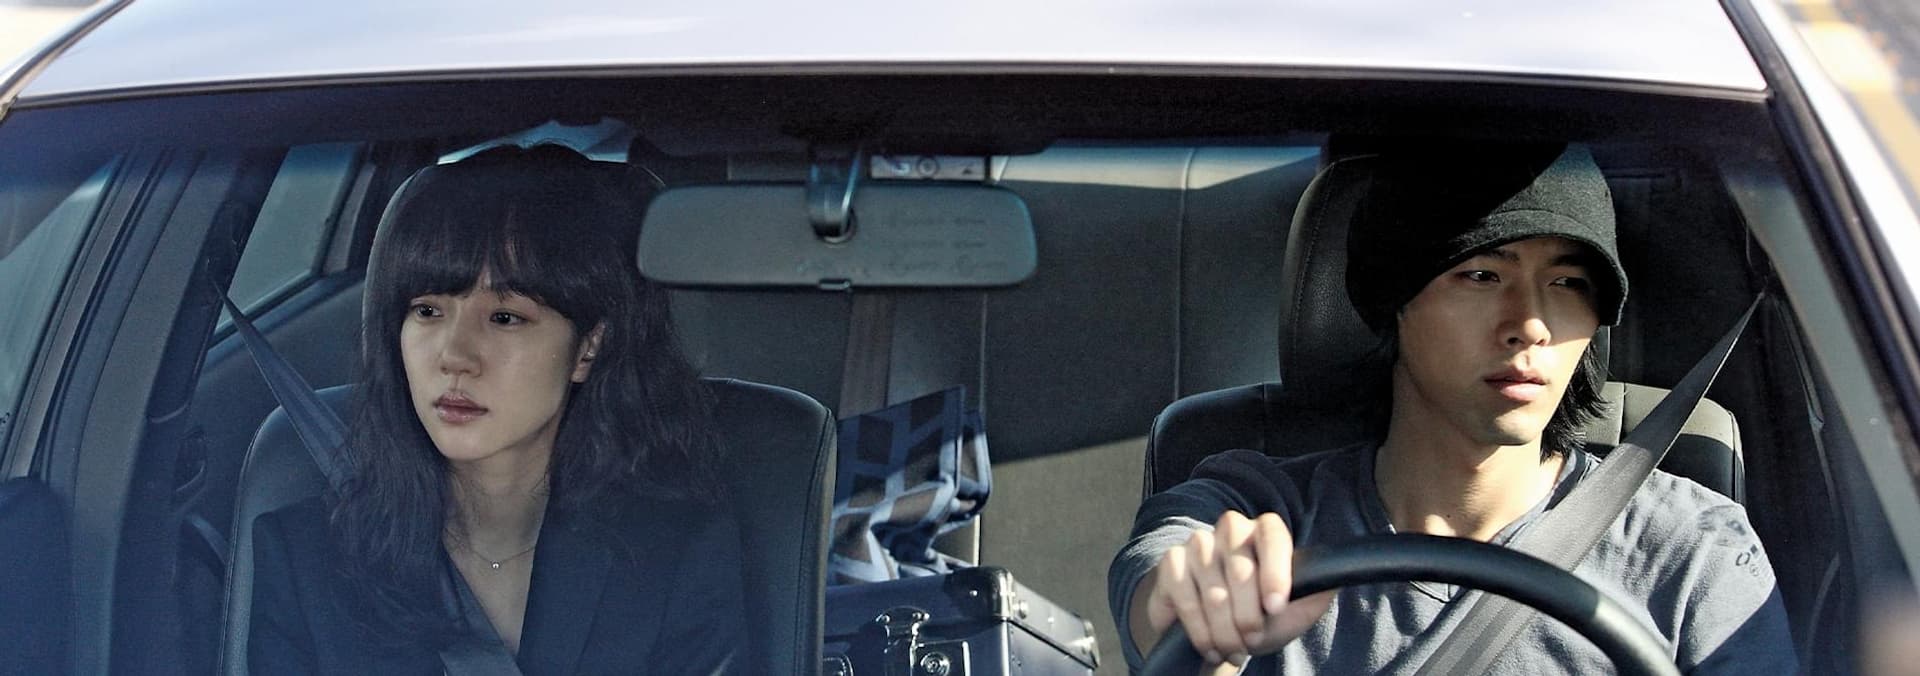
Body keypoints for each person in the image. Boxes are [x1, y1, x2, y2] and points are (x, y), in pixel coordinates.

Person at [1108, 144, 1796, 674]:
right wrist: (1196, 601)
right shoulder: (1256, 508)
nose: (1530, 324)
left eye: (1568, 282)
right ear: (1394, 302)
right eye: (1482, 274)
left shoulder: (1687, 550)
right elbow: (1165, 574)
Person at [249, 145, 742, 674]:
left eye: (505, 317)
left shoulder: (674, 555)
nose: (454, 356)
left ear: (588, 348)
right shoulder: (307, 558)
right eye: (428, 311)